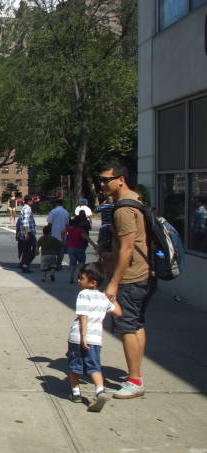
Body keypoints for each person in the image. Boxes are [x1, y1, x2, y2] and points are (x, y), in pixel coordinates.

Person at [99, 160, 152, 399]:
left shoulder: (123, 209)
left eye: (106, 179)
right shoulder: (137, 200)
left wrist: (113, 282)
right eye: (101, 180)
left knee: (127, 326)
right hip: (143, 273)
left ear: (121, 179)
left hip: (130, 277)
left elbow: (128, 248)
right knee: (137, 324)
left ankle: (134, 380)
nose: (102, 184)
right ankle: (136, 373)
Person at [67, 262, 123, 412]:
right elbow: (118, 312)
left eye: (81, 278)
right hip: (96, 340)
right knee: (94, 366)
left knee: (75, 366)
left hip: (78, 338)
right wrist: (111, 297)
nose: (79, 280)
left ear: (92, 283)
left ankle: (76, 392)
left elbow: (83, 315)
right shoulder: (102, 298)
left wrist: (83, 335)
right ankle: (99, 390)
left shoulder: (83, 294)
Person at [64, 215, 98, 284]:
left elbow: (62, 232)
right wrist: (94, 245)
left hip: (70, 248)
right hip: (79, 248)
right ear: (79, 223)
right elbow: (87, 238)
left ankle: (71, 276)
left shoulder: (69, 229)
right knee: (81, 262)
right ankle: (79, 275)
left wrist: (64, 240)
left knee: (72, 263)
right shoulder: (80, 230)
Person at [46, 198, 70, 270]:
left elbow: (50, 223)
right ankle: (59, 264)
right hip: (63, 235)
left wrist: (48, 233)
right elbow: (67, 224)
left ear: (56, 204)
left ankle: (52, 264)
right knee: (61, 251)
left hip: (54, 233)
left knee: (52, 251)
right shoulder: (66, 212)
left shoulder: (53, 211)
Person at [95, 195, 115, 277]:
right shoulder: (115, 206)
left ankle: (100, 257)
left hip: (104, 226)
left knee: (101, 242)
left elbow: (96, 210)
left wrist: (102, 204)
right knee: (112, 241)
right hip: (112, 226)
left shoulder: (104, 206)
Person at [18, 195, 36, 273]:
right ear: (28, 201)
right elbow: (25, 222)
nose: (33, 201)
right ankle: (25, 265)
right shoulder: (27, 209)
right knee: (34, 249)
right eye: (32, 200)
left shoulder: (25, 208)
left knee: (27, 250)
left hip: (27, 232)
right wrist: (26, 234)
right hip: (29, 232)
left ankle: (24, 265)